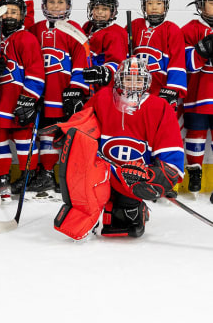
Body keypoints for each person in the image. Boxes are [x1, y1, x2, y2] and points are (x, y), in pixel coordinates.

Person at [52, 57, 184, 241]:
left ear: (147, 81)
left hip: (131, 178)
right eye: (129, 78)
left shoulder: (160, 107)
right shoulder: (103, 97)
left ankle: (134, 208)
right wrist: (69, 129)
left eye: (138, 80)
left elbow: (171, 155)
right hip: (102, 171)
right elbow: (86, 123)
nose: (133, 84)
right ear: (119, 79)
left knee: (124, 217)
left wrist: (153, 176)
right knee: (84, 202)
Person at [0, 0, 45, 203]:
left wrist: (28, 99)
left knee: (25, 140)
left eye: (14, 12)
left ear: (23, 15)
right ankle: (1, 179)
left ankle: (29, 177)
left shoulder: (26, 38)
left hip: (19, 101)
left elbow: (36, 71)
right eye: (5, 11)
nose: (9, 15)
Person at [27, 0, 90, 198]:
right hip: (40, 93)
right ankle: (45, 174)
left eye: (60, 2)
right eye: (51, 2)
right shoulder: (34, 29)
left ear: (68, 4)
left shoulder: (75, 30)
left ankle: (66, 177)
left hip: (62, 95)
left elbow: (82, 61)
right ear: (44, 4)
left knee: (62, 136)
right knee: (44, 135)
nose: (55, 6)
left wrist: (76, 90)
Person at [130, 0, 186, 109]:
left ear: (165, 6)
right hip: (135, 90)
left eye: (159, 3)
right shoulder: (134, 26)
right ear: (144, 6)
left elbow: (177, 62)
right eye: (149, 3)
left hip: (160, 91)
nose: (154, 7)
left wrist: (172, 89)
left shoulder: (172, 29)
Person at [181, 0, 213, 195]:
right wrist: (201, 50)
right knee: (196, 133)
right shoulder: (189, 30)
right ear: (200, 5)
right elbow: (186, 64)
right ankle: (194, 171)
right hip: (198, 94)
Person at [82, 0, 128, 89]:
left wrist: (103, 72)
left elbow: (118, 63)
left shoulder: (117, 33)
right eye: (96, 8)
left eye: (105, 9)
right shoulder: (87, 26)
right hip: (85, 80)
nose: (99, 12)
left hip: (104, 87)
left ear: (113, 11)